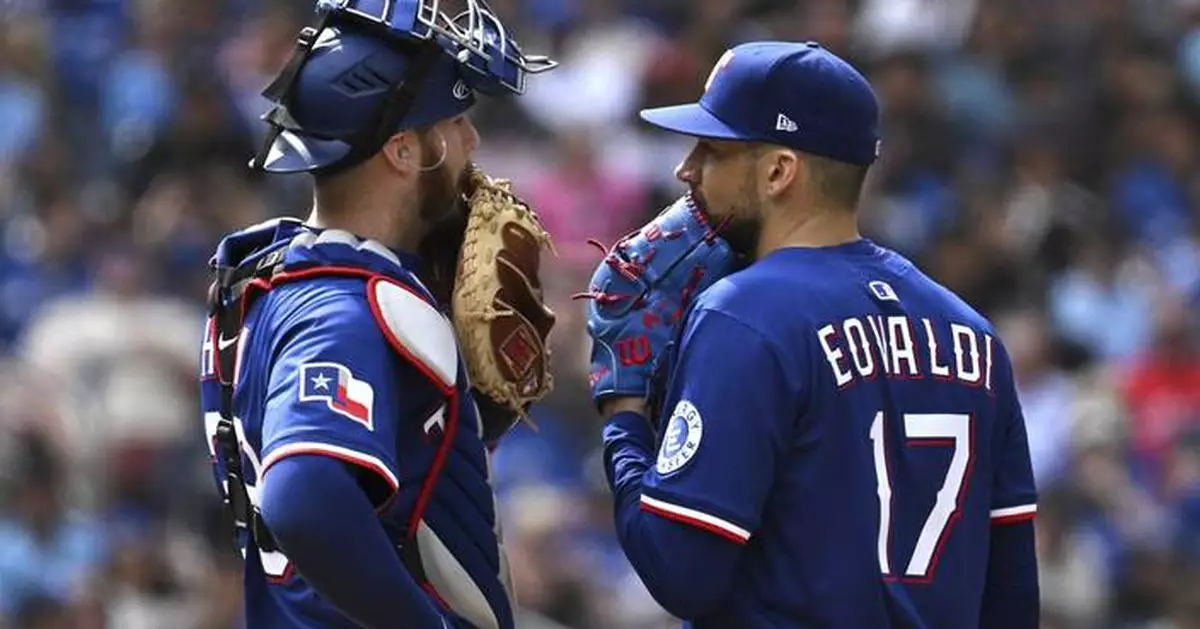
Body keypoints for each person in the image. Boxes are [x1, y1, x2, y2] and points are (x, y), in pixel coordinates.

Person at [589, 41, 1040, 628]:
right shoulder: (973, 334)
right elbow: (1010, 601)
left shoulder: (743, 315)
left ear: (779, 171)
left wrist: (624, 417)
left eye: (713, 150)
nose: (686, 170)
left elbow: (681, 570)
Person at [197, 2, 555, 628]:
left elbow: (390, 504)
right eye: (454, 118)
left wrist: (463, 420)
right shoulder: (343, 306)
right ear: (402, 151)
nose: (470, 142)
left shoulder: (282, 274)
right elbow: (304, 494)